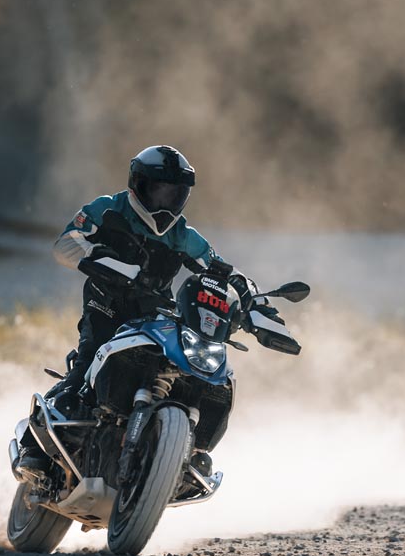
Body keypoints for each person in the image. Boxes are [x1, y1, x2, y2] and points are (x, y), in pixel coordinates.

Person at [38, 145, 251, 421]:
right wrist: (109, 263)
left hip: (155, 318)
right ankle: (39, 437)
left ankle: (189, 451)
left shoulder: (184, 235)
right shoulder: (108, 209)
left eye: (174, 193)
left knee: (192, 374)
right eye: (159, 190)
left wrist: (254, 304)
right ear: (138, 185)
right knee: (84, 369)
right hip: (106, 306)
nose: (166, 201)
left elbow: (222, 272)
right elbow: (66, 244)